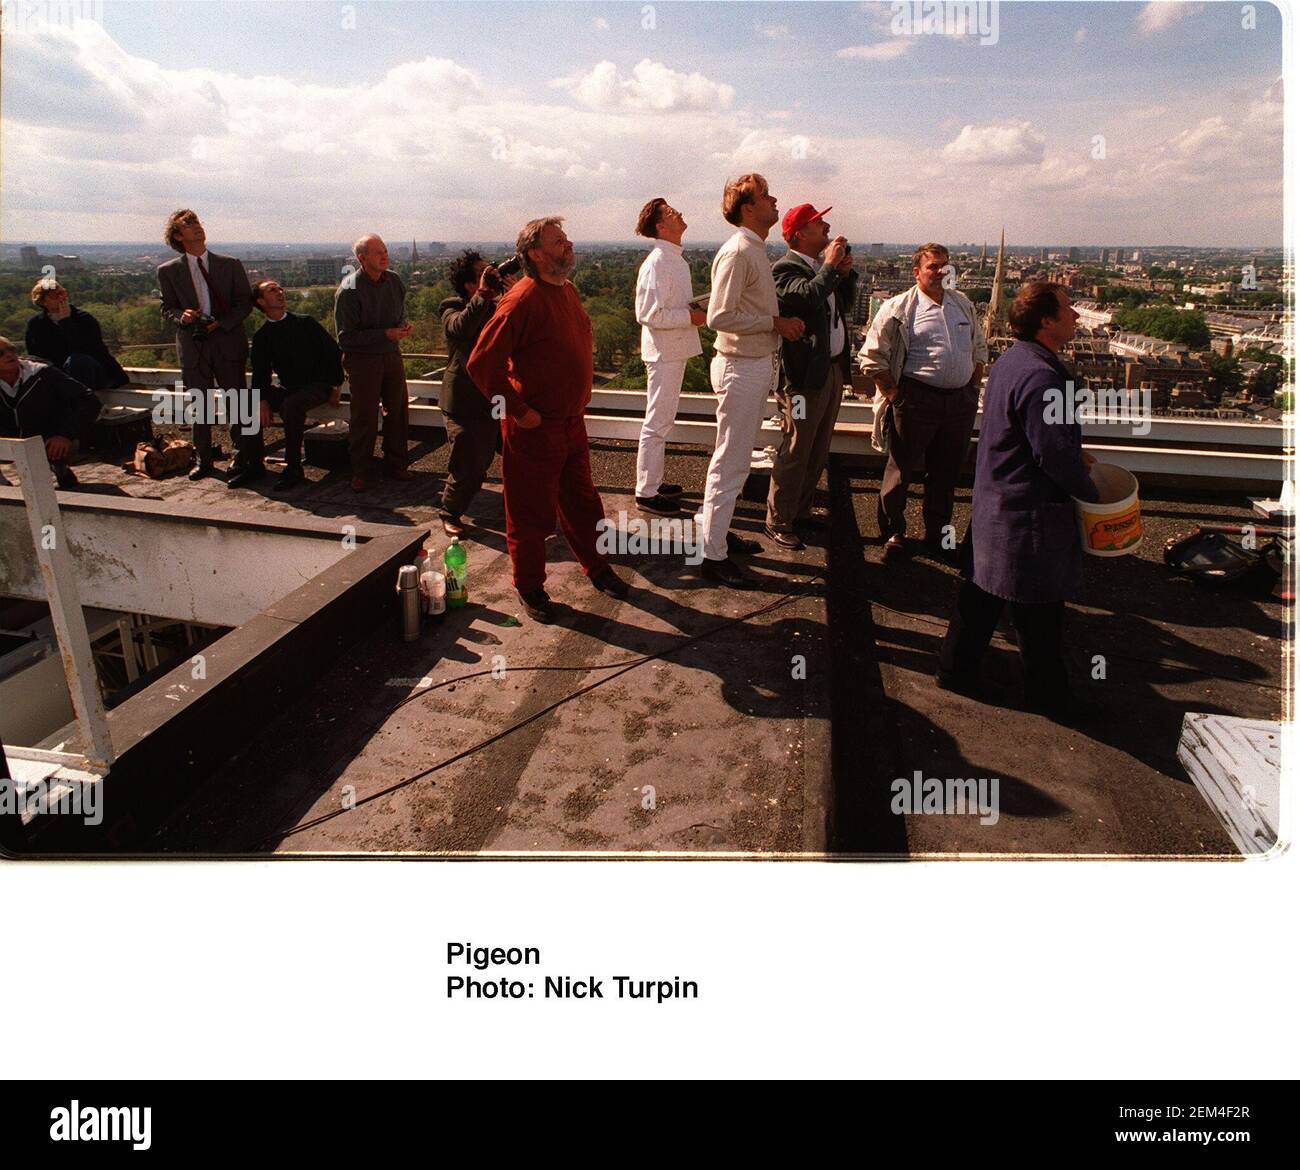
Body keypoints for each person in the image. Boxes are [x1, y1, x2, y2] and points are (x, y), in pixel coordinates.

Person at [936, 282, 1100, 722]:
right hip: (1028, 510)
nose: (1076, 316)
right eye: (1068, 309)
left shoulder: (1013, 359)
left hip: (996, 500)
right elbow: (1051, 454)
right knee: (1040, 611)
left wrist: (1065, 447)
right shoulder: (1045, 376)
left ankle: (956, 671)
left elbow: (1029, 433)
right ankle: (1051, 700)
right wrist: (1091, 493)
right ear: (1046, 321)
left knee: (981, 594)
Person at [466, 216, 626, 623]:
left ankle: (597, 566)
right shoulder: (521, 299)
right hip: (534, 429)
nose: (568, 244)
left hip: (571, 423)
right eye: (559, 241)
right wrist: (520, 411)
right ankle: (530, 587)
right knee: (530, 511)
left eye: (566, 238)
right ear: (536, 254)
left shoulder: (566, 290)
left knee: (583, 501)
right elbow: (482, 363)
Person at [699, 173, 805, 588]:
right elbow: (718, 316)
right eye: (765, 196)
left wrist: (772, 325)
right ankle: (711, 554)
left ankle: (717, 535)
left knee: (736, 458)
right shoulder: (739, 251)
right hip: (739, 366)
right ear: (748, 208)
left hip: (752, 363)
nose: (774, 200)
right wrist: (774, 322)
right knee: (731, 460)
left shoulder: (753, 248)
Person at [859, 242, 987, 561]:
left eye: (945, 265)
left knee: (946, 472)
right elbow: (872, 357)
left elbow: (980, 349)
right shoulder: (899, 308)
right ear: (916, 272)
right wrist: (895, 395)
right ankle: (892, 532)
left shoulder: (962, 305)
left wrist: (971, 386)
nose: (941, 271)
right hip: (916, 400)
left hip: (959, 403)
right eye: (933, 266)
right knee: (901, 468)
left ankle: (939, 535)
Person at [765, 203, 857, 550]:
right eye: (819, 223)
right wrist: (831, 267)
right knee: (796, 446)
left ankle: (800, 510)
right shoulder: (785, 269)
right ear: (800, 233)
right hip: (802, 381)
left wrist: (842, 273)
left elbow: (842, 306)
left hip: (829, 371)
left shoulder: (821, 269)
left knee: (818, 446)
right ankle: (779, 519)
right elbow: (806, 297)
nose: (827, 226)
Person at [157, 209, 255, 483]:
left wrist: (221, 324)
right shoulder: (168, 271)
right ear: (178, 236)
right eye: (188, 225)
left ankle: (242, 456)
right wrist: (182, 316)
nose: (197, 227)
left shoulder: (230, 264)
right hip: (193, 345)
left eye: (197, 222)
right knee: (199, 404)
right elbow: (167, 307)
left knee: (236, 401)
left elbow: (244, 303)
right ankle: (204, 459)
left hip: (226, 341)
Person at [632, 198, 706, 517]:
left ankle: (654, 481)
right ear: (661, 226)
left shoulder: (674, 258)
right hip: (664, 352)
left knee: (663, 419)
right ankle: (646, 492)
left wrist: (692, 313)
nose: (680, 213)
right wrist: (691, 318)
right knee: (657, 421)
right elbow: (648, 313)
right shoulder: (659, 261)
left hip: (672, 349)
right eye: (672, 213)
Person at [437, 250, 518, 537]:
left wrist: (514, 293)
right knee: (471, 461)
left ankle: (524, 507)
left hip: (497, 397)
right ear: (470, 285)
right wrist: (483, 296)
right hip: (466, 402)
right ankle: (450, 511)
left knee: (519, 453)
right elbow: (461, 328)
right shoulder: (452, 306)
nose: (490, 277)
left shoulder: (499, 304)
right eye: (483, 274)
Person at [248, 280, 344, 492]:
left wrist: (337, 384)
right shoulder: (262, 336)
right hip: (290, 389)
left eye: (280, 288)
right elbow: (260, 373)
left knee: (291, 406)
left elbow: (332, 353)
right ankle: (252, 463)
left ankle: (293, 468)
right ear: (261, 301)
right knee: (246, 401)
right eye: (273, 290)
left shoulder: (305, 323)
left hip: (318, 386)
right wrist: (262, 400)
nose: (280, 292)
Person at [334, 234, 412, 492]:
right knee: (365, 416)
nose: (385, 255)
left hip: (391, 355)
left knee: (398, 410)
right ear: (362, 258)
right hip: (362, 361)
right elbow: (346, 338)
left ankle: (397, 464)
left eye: (386, 250)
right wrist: (384, 334)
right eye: (378, 252)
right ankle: (361, 471)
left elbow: (398, 315)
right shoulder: (349, 290)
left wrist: (401, 327)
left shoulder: (395, 282)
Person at [0, 336, 101, 489]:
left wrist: (65, 434)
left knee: (51, 462)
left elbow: (89, 400)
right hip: (9, 438)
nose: (9, 354)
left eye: (11, 349)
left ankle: (60, 468)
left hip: (49, 438)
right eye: (0, 353)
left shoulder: (42, 373)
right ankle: (3, 488)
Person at [25, 280, 128, 392]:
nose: (61, 298)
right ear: (43, 301)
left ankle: (82, 403)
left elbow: (89, 350)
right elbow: (36, 356)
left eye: (62, 293)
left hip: (94, 372)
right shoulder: (36, 325)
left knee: (78, 361)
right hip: (59, 376)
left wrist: (66, 322)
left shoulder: (84, 318)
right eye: (55, 296)